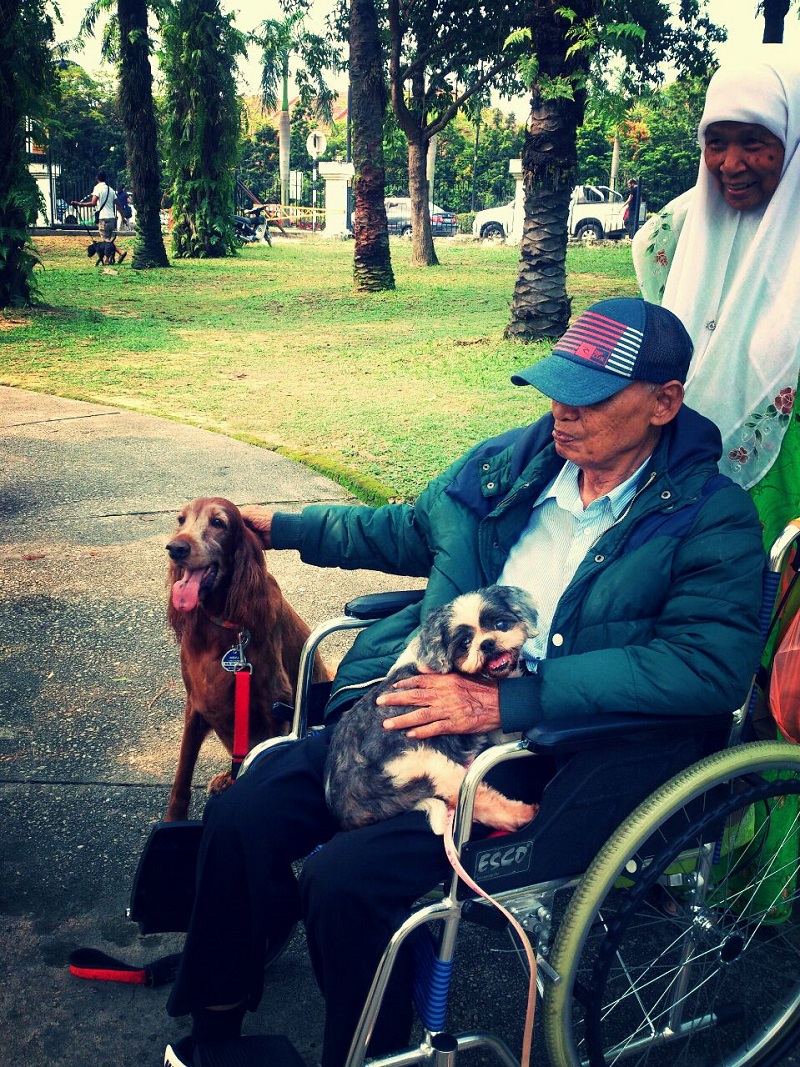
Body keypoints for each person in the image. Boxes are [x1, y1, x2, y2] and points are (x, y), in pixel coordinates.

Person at [163, 297, 765, 1067]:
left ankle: (366, 1057)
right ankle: (217, 1024)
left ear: (663, 403)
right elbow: (401, 528)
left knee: (344, 880)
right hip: (411, 712)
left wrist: (505, 698)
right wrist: (277, 526)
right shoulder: (510, 467)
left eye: (590, 397)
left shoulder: (711, 518)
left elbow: (708, 667)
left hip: (548, 756)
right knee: (247, 808)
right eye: (557, 389)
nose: (563, 412)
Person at [632, 50, 800, 552]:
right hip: (680, 464)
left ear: (790, 143)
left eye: (754, 143)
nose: (731, 163)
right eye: (716, 142)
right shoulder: (674, 233)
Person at [72, 170, 117, 241]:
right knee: (108, 239)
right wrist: (122, 217)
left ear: (97, 178)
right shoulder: (111, 190)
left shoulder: (97, 188)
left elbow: (93, 203)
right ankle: (111, 252)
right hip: (112, 217)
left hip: (103, 217)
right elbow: (117, 203)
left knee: (105, 240)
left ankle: (121, 251)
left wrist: (79, 204)